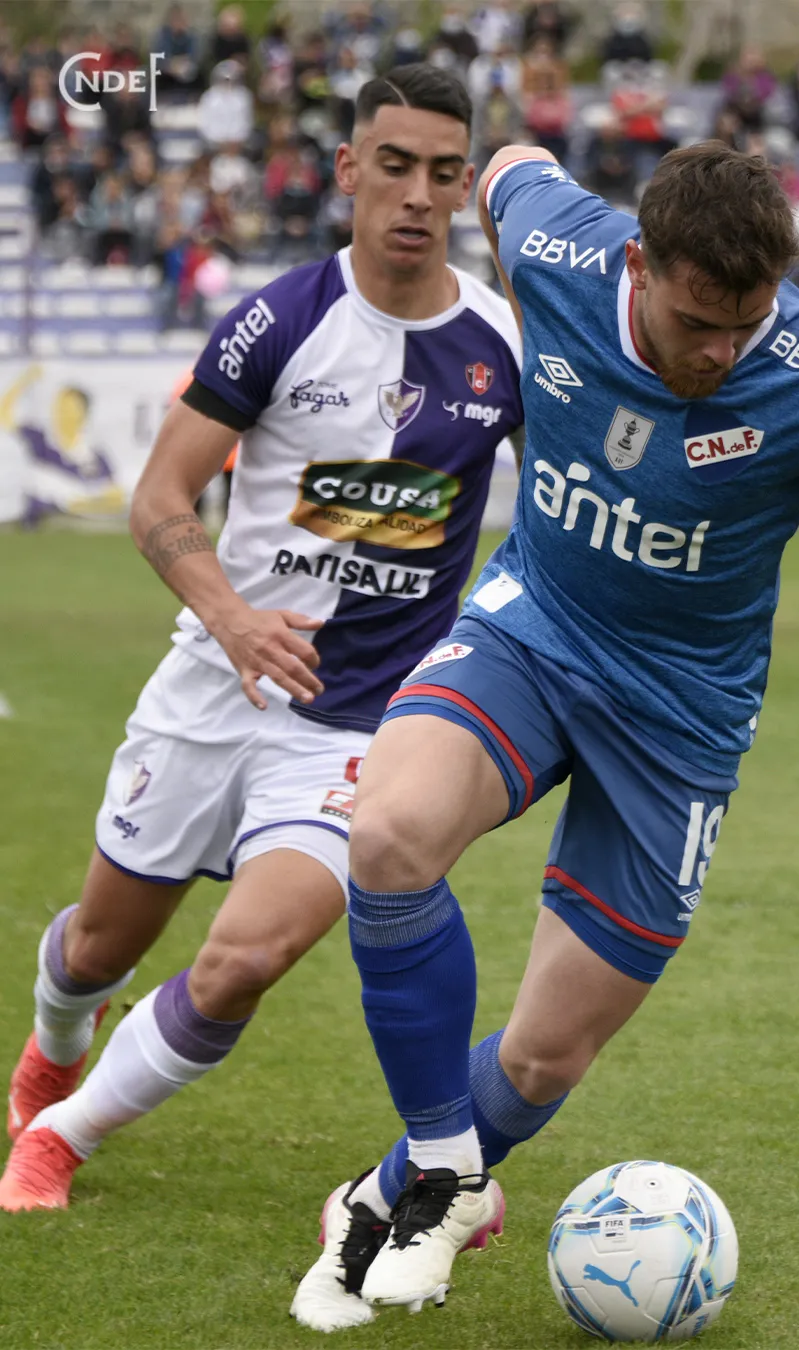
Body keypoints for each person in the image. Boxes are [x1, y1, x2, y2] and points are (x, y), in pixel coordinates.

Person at [291, 140, 799, 1331]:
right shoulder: (558, 248)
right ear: (639, 264)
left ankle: (394, 1189)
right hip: (532, 634)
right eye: (698, 322)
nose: (720, 352)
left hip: (681, 721)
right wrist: (536, 345)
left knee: (547, 1057)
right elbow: (506, 166)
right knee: (389, 835)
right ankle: (449, 1171)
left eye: (744, 325)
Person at [0, 65, 523, 1213]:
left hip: (358, 727)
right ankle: (54, 1047)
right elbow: (159, 498)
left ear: (465, 189)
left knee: (248, 956)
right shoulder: (280, 319)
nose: (417, 195)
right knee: (95, 950)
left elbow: (560, 513)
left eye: (443, 174)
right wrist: (232, 619)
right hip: (213, 686)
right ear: (348, 168)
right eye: (395, 166)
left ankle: (57, 1141)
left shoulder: (503, 343)